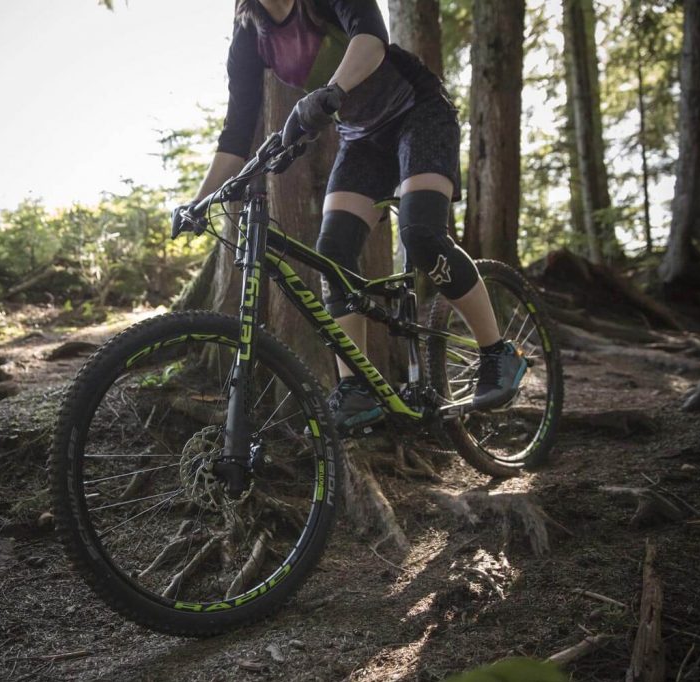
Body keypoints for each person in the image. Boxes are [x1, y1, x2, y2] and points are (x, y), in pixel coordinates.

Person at [174, 0, 526, 433]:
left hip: (419, 112)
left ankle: (497, 353)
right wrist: (199, 202)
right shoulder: (250, 34)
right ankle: (356, 389)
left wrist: (331, 93)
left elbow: (371, 40)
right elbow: (236, 130)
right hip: (361, 137)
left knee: (420, 234)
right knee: (333, 251)